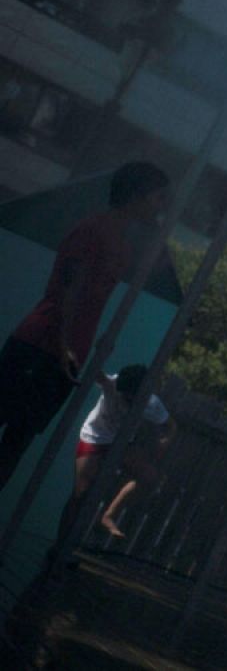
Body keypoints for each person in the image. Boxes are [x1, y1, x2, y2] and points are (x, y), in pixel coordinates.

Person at [1, 161, 170, 487]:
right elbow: (69, 287)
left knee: (16, 443)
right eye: (157, 197)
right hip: (41, 346)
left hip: (66, 359)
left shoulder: (121, 243)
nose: (161, 206)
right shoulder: (95, 230)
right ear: (136, 195)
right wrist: (63, 346)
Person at [58, 363, 175, 546]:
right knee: (82, 492)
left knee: (150, 477)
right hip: (95, 436)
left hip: (121, 442)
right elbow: (97, 374)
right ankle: (61, 543)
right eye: (124, 397)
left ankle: (108, 515)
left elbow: (170, 427)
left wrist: (164, 442)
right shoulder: (112, 383)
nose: (126, 401)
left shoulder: (152, 404)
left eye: (130, 399)